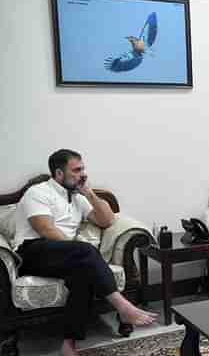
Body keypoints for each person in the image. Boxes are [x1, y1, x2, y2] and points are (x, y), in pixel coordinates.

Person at [14, 149, 157, 356]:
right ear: (59, 173)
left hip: (65, 255)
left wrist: (89, 193)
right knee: (85, 253)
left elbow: (107, 220)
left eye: (83, 169)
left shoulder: (77, 197)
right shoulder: (38, 193)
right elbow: (46, 230)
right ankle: (123, 307)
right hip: (33, 251)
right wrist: (79, 251)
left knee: (83, 276)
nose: (83, 174)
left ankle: (69, 343)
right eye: (76, 170)